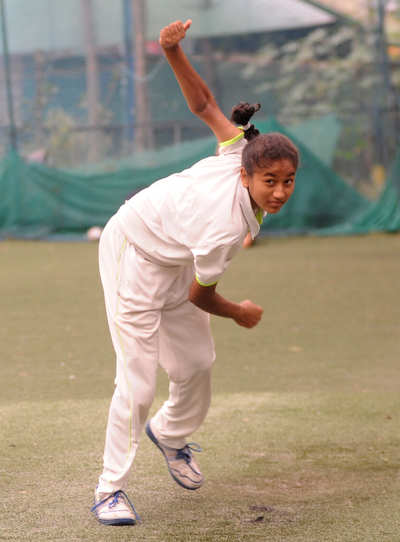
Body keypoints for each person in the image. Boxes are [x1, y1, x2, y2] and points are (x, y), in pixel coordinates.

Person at [91, 19, 299, 527]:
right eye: (269, 180)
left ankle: (171, 435)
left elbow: (206, 106)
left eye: (288, 181)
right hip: (134, 254)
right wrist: (239, 312)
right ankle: (108, 488)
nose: (278, 191)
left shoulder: (238, 148)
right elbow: (203, 296)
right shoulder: (224, 227)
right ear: (246, 173)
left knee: (197, 363)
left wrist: (172, 51)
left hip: (177, 255)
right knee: (138, 385)